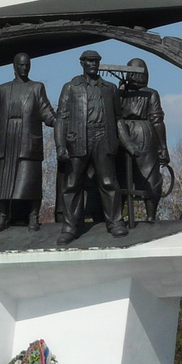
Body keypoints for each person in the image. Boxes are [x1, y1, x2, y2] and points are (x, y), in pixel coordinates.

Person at [54, 49, 128, 246]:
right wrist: (60, 145)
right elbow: (61, 117)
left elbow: (118, 118)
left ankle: (114, 222)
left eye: (96, 61)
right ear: (82, 63)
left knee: (108, 182)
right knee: (72, 184)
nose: (93, 64)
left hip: (103, 137)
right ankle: (70, 227)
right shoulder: (71, 87)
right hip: (78, 139)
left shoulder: (110, 88)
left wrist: (128, 142)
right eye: (89, 61)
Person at [0, 52, 56, 233]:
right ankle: (3, 217)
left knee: (30, 180)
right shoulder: (3, 90)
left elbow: (46, 112)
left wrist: (60, 122)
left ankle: (34, 217)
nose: (24, 68)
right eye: (21, 65)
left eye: (27, 65)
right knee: (3, 181)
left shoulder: (36, 88)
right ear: (15, 66)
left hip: (27, 139)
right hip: (7, 139)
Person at [116, 57, 170, 222]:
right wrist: (162, 146)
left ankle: (120, 216)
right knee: (148, 174)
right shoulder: (150, 93)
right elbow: (157, 121)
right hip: (143, 133)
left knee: (123, 175)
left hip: (122, 132)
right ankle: (150, 216)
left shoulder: (119, 94)